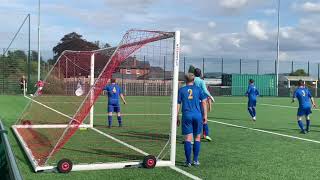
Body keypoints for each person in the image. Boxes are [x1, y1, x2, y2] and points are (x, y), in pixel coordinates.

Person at [177, 73, 208, 167]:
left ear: (185, 80)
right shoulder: (198, 89)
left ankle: (188, 161)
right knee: (197, 138)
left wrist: (177, 116)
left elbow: (178, 104)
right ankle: (195, 160)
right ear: (194, 80)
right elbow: (204, 102)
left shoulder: (181, 90)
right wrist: (205, 115)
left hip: (187, 116)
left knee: (188, 139)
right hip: (197, 115)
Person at [194, 68, 214, 142]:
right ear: (200, 74)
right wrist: (211, 96)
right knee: (204, 118)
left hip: (192, 102)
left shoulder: (192, 80)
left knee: (193, 119)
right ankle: (206, 135)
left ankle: (193, 136)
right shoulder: (201, 81)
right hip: (201, 102)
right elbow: (205, 91)